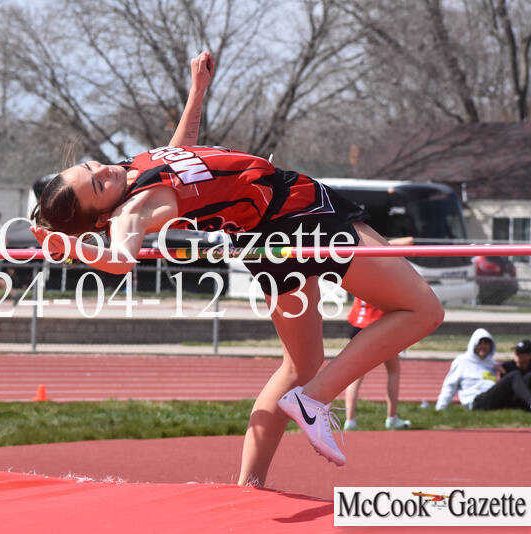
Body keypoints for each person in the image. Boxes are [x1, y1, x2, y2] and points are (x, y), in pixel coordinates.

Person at [29, 50, 444, 483]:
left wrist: (197, 91)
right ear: (101, 215)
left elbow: (178, 152)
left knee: (299, 366)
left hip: (265, 237)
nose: (105, 171)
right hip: (299, 214)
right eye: (98, 184)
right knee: (423, 310)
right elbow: (120, 261)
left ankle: (249, 487)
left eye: (91, 166)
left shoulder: (133, 170)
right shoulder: (132, 211)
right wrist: (72, 248)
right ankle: (315, 399)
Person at [344, 298, 412, 431]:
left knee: (355, 376)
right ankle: (392, 418)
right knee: (393, 371)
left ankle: (349, 420)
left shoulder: (359, 284)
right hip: (380, 326)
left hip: (358, 325)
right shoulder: (382, 284)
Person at [435, 329, 507, 411]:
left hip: (491, 399)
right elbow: (450, 386)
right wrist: (440, 408)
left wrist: (503, 373)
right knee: (513, 377)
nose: (483, 346)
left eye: (486, 343)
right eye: (480, 343)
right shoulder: (462, 361)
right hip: (474, 400)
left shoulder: (493, 364)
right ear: (474, 344)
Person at [467, 338, 531, 412]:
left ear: (529, 356)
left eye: (520, 353)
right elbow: (500, 388)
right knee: (515, 375)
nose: (516, 354)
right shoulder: (506, 366)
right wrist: (502, 373)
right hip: (494, 399)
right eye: (516, 351)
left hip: (516, 402)